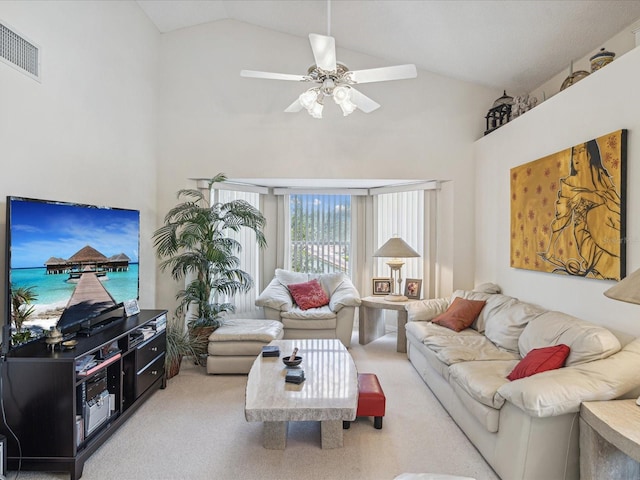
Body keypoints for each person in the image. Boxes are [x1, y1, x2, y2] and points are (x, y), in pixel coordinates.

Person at [539, 139, 621, 279]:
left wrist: (586, 195)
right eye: (574, 153)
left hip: (610, 225)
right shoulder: (569, 184)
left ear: (590, 155)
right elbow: (562, 217)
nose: (576, 157)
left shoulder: (601, 176)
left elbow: (615, 203)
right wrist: (550, 249)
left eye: (581, 151)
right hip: (586, 234)